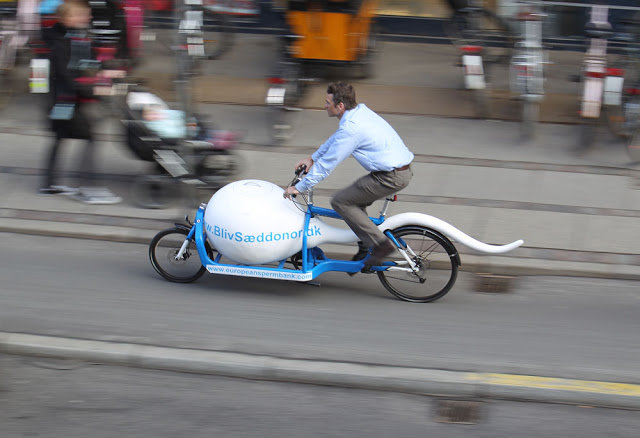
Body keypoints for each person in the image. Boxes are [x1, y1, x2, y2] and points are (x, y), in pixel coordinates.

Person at [283, 82, 414, 269]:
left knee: (340, 202)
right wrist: (312, 158)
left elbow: (327, 166)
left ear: (340, 106)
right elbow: (336, 139)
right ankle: (366, 244)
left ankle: (380, 245)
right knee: (355, 202)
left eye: (328, 102)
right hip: (397, 171)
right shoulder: (359, 112)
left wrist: (299, 188)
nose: (325, 105)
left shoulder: (352, 129)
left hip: (390, 177)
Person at [40, 0, 121, 204]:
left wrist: (109, 69)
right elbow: (66, 76)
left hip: (65, 103)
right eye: (83, 15)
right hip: (62, 103)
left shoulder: (77, 37)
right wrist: (94, 89)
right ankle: (89, 188)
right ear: (68, 19)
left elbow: (88, 61)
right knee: (89, 137)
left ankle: (50, 183)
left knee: (60, 137)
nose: (88, 17)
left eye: (87, 14)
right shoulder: (61, 43)